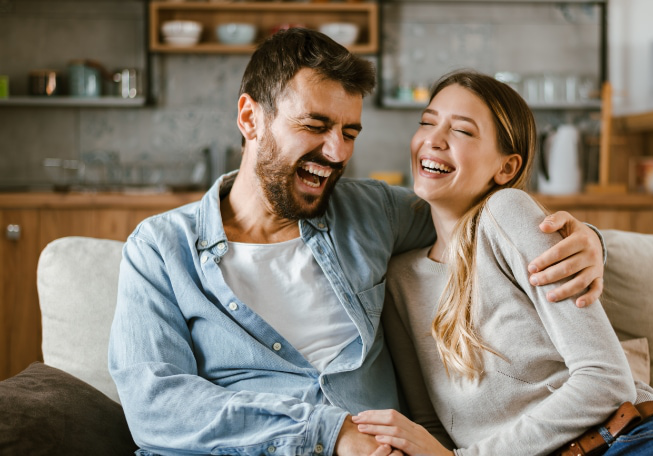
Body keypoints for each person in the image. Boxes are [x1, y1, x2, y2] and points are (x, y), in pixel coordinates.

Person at [108, 29, 607, 456]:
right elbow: (156, 404)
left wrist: (587, 241)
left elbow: (476, 208)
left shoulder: (371, 212)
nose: (336, 153)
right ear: (250, 118)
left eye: (350, 132)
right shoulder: (160, 249)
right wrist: (329, 434)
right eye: (316, 126)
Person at [351, 70, 653, 456]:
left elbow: (607, 381)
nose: (433, 140)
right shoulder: (399, 280)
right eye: (427, 122)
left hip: (625, 442)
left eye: (461, 131)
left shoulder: (504, 213)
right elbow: (433, 427)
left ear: (506, 169)